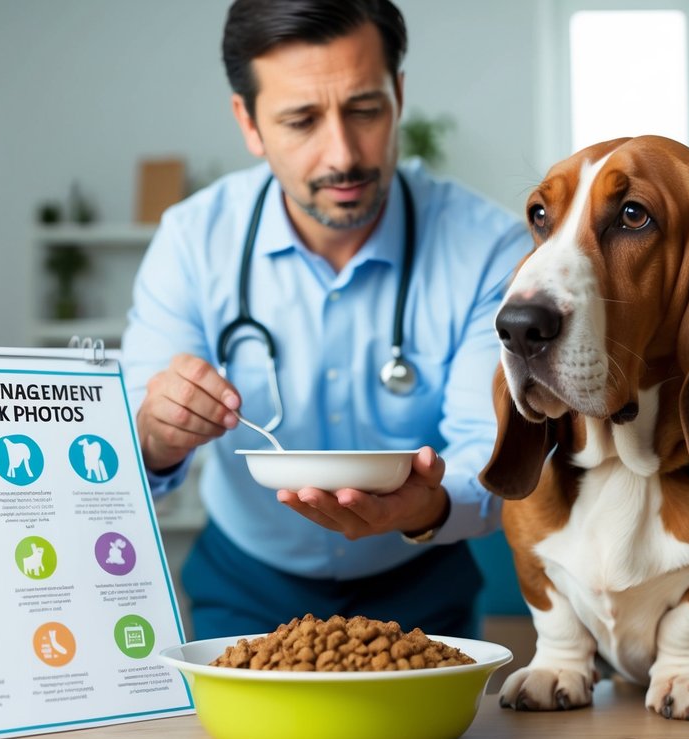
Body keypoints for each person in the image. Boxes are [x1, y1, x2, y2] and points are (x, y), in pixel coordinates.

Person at [121, 0, 530, 641]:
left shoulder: (490, 250)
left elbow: (492, 449)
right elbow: (122, 455)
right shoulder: (191, 242)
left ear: (397, 95)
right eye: (301, 120)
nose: (343, 153)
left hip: (421, 576)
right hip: (246, 584)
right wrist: (157, 432)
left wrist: (430, 503)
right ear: (249, 123)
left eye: (365, 110)